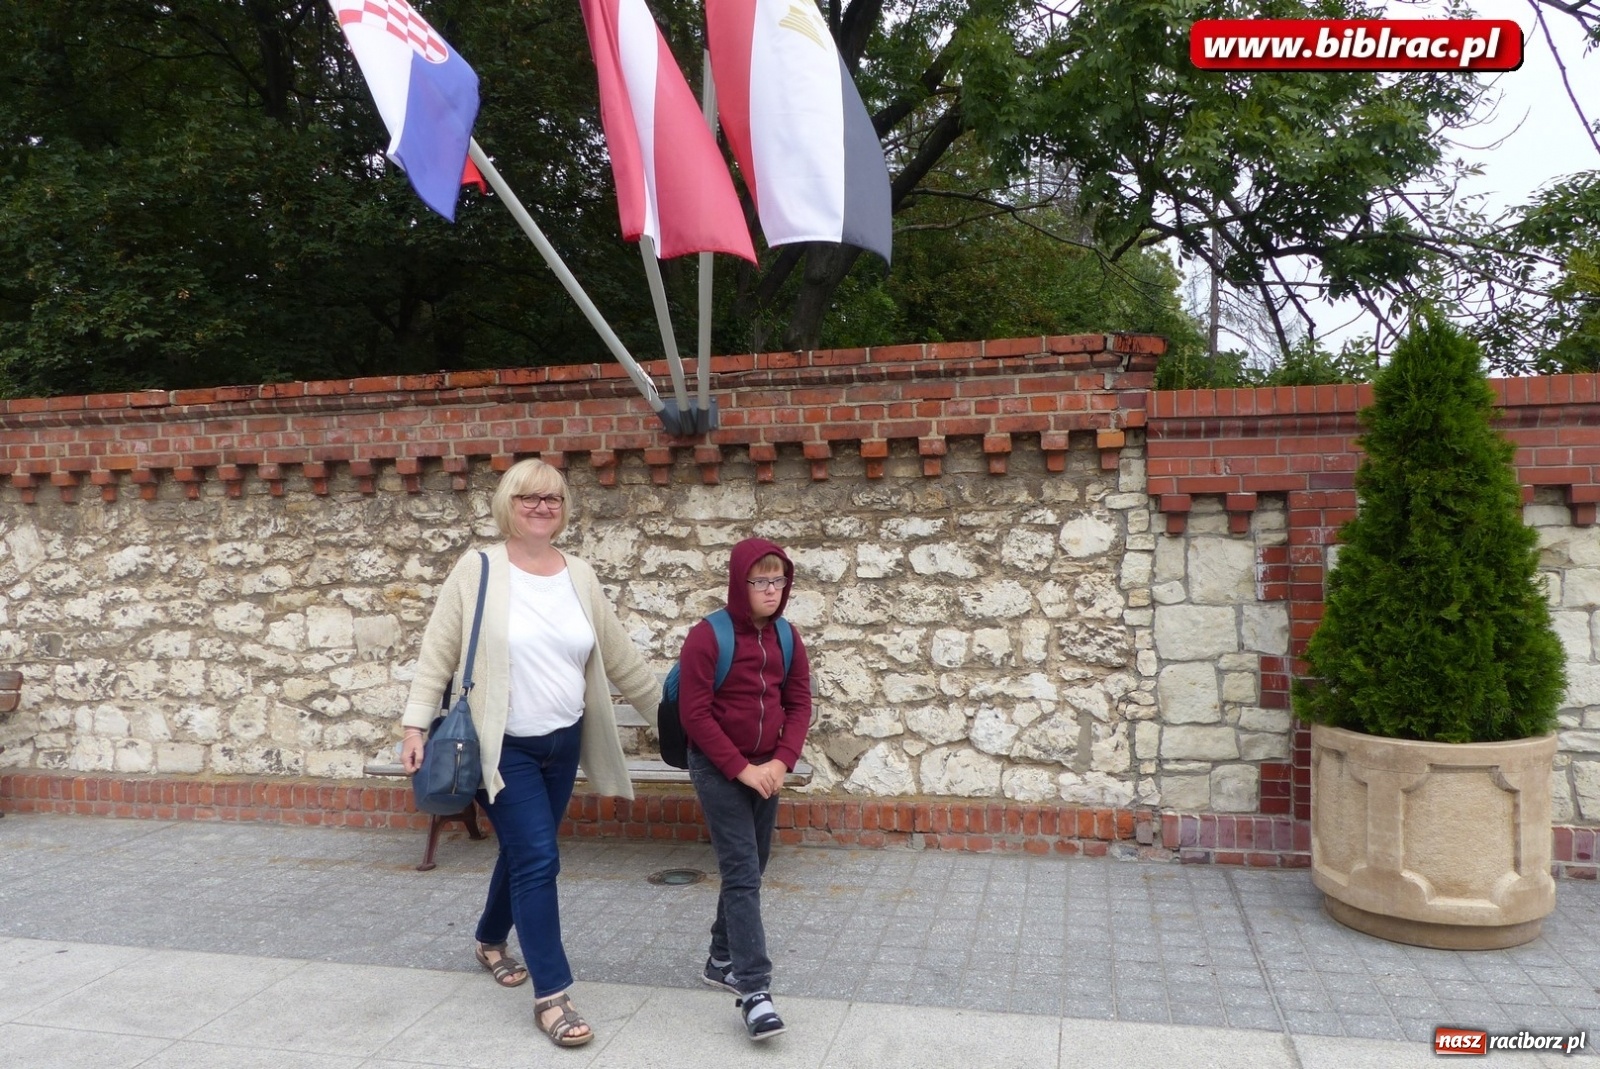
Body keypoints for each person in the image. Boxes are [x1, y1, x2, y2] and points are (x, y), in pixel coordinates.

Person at [399, 458, 659, 1048]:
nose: (543, 507)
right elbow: (438, 651)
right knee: (540, 858)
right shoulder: (478, 569)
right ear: (507, 504)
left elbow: (619, 657)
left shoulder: (579, 574)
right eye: (529, 497)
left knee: (524, 852)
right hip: (502, 747)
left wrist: (675, 722)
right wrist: (415, 726)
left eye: (553, 498)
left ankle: (489, 940)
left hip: (563, 743)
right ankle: (553, 994)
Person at [678, 538, 813, 1040]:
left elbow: (799, 703)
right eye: (760, 581)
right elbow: (695, 715)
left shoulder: (787, 637)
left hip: (766, 768)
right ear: (740, 583)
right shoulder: (706, 638)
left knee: (752, 868)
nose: (772, 590)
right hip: (717, 767)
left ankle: (720, 958)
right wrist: (741, 769)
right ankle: (755, 991)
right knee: (741, 873)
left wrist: (780, 761)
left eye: (779, 580)